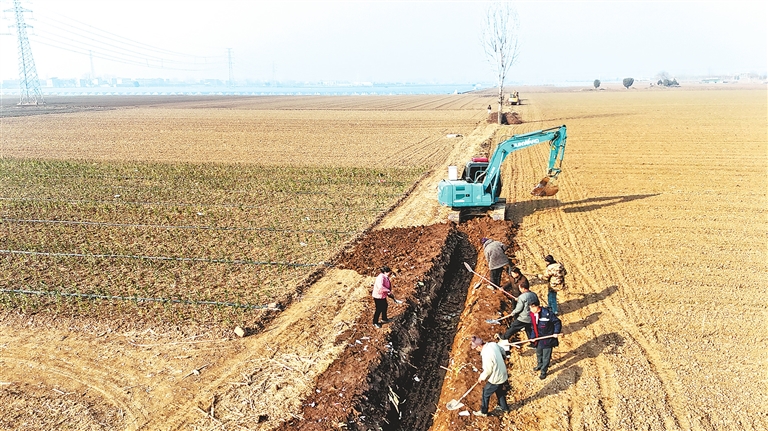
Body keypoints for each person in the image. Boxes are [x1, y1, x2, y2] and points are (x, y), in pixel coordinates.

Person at [470, 336, 510, 416]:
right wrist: (503, 357)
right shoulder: (493, 344)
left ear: (479, 346)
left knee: (486, 393)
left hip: (496, 378)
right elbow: (502, 350)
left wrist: (481, 377)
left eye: (476, 348)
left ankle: (483, 412)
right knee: (499, 391)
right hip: (503, 373)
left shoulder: (486, 354)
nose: (476, 349)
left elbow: (488, 370)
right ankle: (504, 408)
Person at [528, 303, 562, 379]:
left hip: (548, 339)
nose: (531, 310)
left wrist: (556, 332)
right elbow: (533, 327)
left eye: (532, 308)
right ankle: (539, 365)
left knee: (546, 357)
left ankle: (543, 371)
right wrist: (533, 337)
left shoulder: (547, 313)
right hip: (539, 338)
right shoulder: (533, 315)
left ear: (537, 307)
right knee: (539, 353)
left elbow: (557, 322)